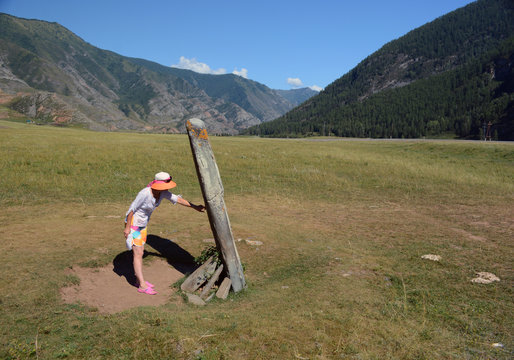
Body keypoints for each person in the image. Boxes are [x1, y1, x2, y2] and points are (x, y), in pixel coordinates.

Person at [124, 171, 205, 295]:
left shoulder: (162, 193)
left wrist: (195, 207)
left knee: (139, 252)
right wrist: (127, 228)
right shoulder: (145, 193)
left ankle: (138, 280)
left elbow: (177, 199)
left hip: (143, 225)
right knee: (138, 253)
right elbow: (131, 210)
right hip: (134, 226)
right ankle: (142, 285)